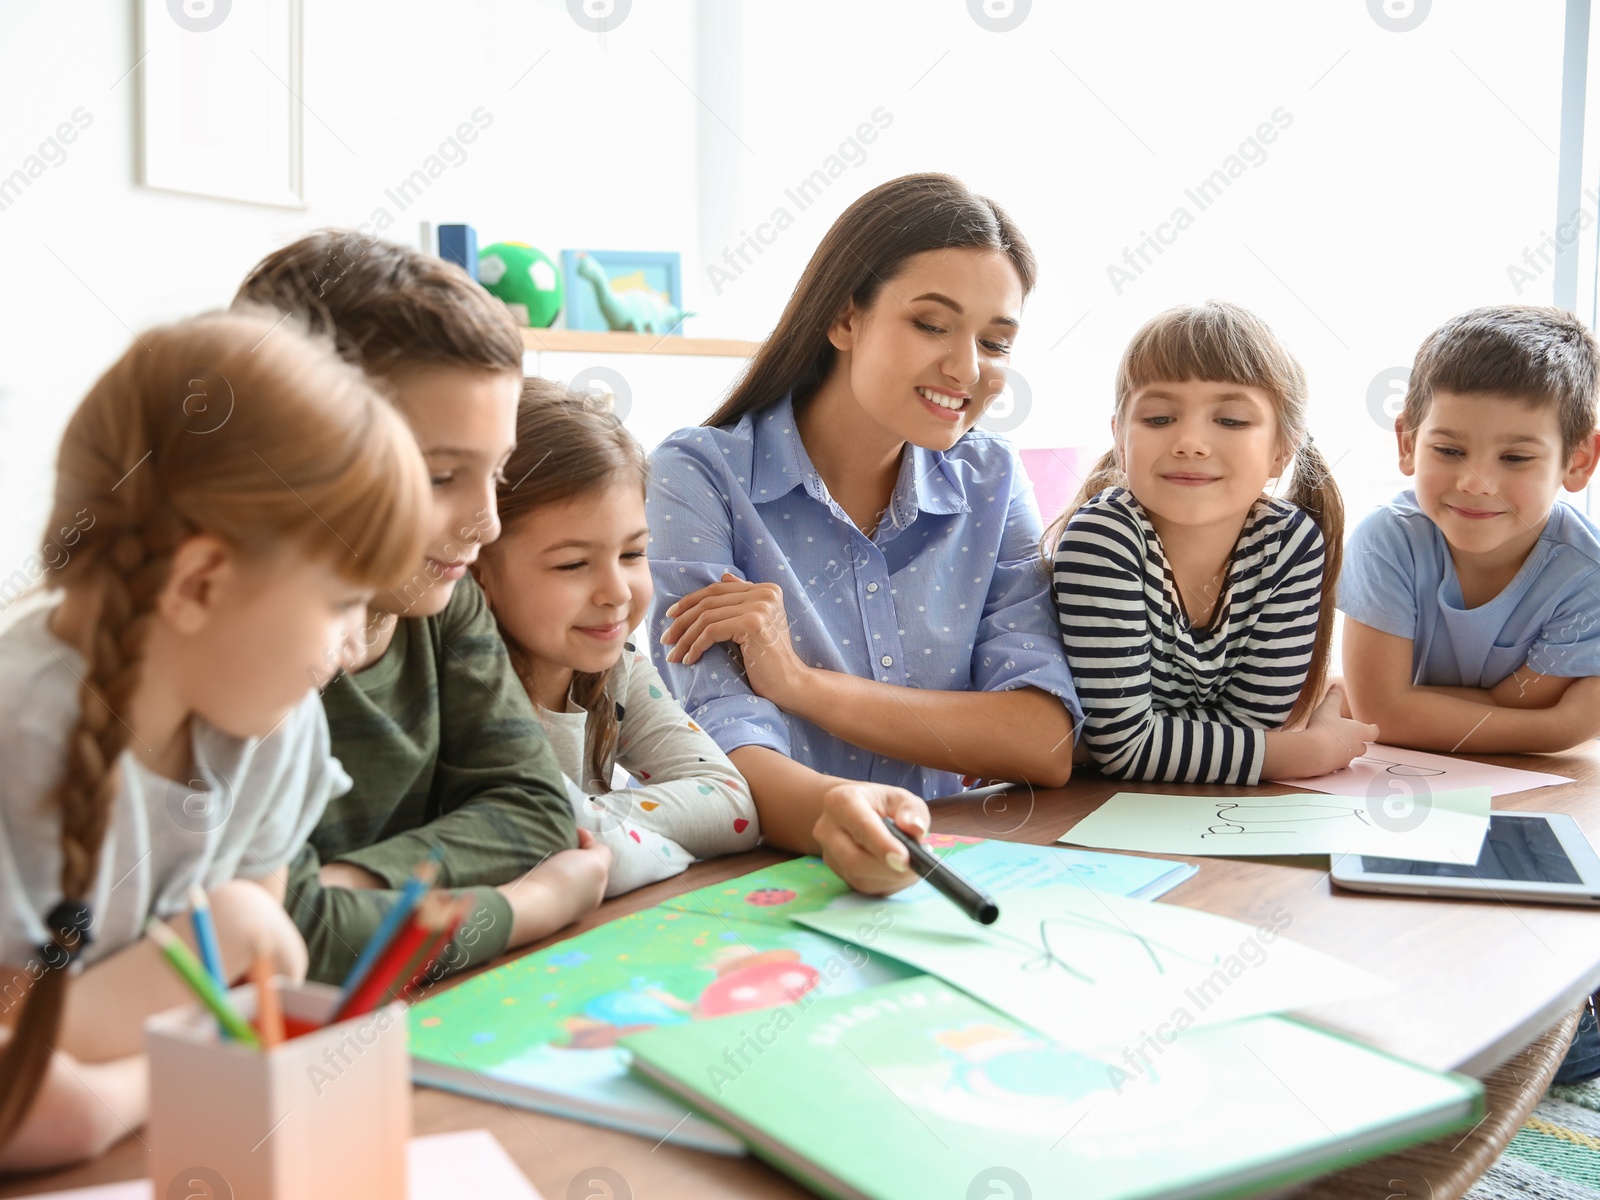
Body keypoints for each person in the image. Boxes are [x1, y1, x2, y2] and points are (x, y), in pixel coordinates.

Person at [0, 309, 430, 1170]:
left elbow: (245, 984)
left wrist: (237, 943)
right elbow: (27, 1092)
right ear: (199, 582)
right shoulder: (19, 739)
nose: (354, 646)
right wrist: (121, 1091)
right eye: (344, 601)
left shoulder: (277, 723)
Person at [646, 173, 1082, 895]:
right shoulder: (698, 474)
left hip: (941, 871)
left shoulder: (992, 480)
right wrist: (835, 814)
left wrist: (802, 685)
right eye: (932, 325)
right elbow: (724, 743)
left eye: (996, 342)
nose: (967, 368)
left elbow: (1044, 739)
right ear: (845, 318)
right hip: (761, 884)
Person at [235, 232, 609, 985]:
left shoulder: (442, 604)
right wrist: (525, 907)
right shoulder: (233, 656)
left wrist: (352, 888)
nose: (488, 524)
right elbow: (283, 945)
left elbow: (535, 812)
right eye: (440, 477)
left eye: (495, 473)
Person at [1050, 301, 1375, 784]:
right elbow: (1125, 747)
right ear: (1120, 439)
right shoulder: (1102, 540)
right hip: (1087, 805)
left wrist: (1134, 743)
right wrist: (1304, 753)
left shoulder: (1290, 543)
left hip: (1199, 808)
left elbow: (1250, 725)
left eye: (1231, 421)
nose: (1190, 442)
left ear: (1282, 450)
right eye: (1159, 418)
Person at [473, 381, 758, 896]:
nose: (615, 592)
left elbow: (731, 804)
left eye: (632, 554)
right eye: (573, 564)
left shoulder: (615, 669)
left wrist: (597, 834)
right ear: (478, 571)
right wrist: (645, 848)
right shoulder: (466, 691)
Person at [1340, 305, 1600, 753]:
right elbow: (1380, 713)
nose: (1475, 484)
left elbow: (1503, 704)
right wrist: (1562, 727)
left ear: (1577, 461)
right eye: (1449, 450)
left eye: (1515, 458)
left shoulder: (1587, 580)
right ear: (1408, 445)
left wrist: (1394, 705)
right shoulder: (1385, 542)